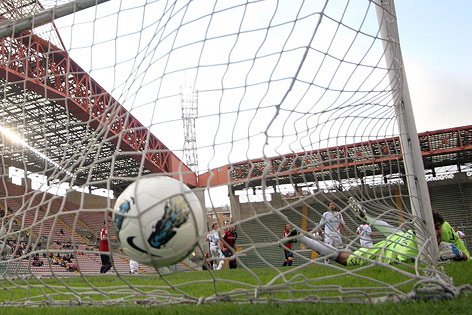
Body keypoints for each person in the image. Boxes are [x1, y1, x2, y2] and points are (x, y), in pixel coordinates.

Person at [284, 197, 469, 266]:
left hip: (393, 241)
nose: (436, 232)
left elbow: (465, 256)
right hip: (388, 247)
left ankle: (301, 237)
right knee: (344, 258)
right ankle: (306, 240)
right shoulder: (412, 251)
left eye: (437, 228)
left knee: (343, 255)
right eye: (432, 228)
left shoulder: (445, 237)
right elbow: (416, 259)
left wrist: (461, 255)